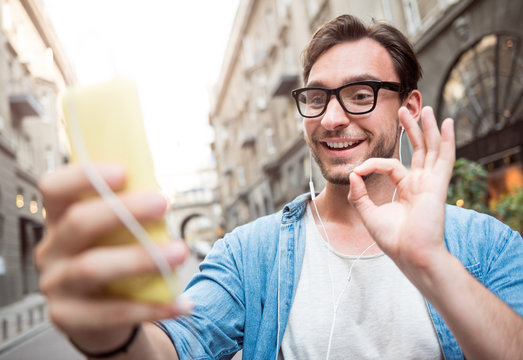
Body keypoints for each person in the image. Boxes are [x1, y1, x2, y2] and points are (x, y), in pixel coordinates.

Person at [36, 14, 523, 360]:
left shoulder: (485, 244)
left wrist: (431, 263)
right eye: (316, 98)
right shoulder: (251, 253)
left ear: (410, 108)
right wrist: (112, 336)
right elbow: (176, 345)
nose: (332, 118)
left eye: (359, 94)